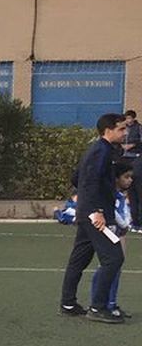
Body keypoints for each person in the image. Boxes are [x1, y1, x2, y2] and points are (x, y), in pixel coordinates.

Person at [59, 112, 128, 325]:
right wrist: (97, 210)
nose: (125, 133)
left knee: (78, 259)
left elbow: (77, 178)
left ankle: (68, 304)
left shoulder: (100, 150)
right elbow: (90, 181)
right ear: (108, 130)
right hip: (94, 215)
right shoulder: (101, 151)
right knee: (114, 258)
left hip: (87, 212)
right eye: (121, 129)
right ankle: (98, 307)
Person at [90, 160, 133, 319]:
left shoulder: (121, 195)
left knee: (115, 268)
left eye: (131, 177)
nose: (130, 180)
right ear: (116, 178)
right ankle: (102, 304)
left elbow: (126, 213)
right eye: (126, 177)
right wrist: (124, 224)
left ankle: (110, 303)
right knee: (108, 267)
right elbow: (114, 213)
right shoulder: (111, 195)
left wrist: (126, 224)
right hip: (111, 232)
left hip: (120, 233)